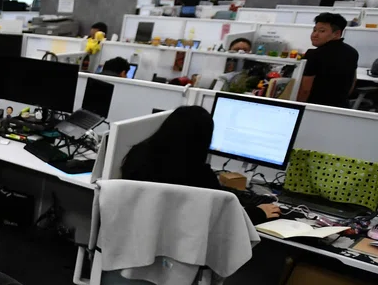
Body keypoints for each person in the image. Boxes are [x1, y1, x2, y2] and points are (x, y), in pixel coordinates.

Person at [121, 105, 279, 225]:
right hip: (179, 248)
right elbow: (223, 218)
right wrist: (258, 212)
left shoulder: (138, 154)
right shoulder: (197, 174)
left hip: (137, 236)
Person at [297, 13, 358, 108]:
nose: (315, 35)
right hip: (341, 108)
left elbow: (305, 90)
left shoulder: (313, 54)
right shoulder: (352, 52)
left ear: (337, 33)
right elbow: (353, 81)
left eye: (322, 31)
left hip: (315, 108)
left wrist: (298, 107)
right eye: (314, 30)